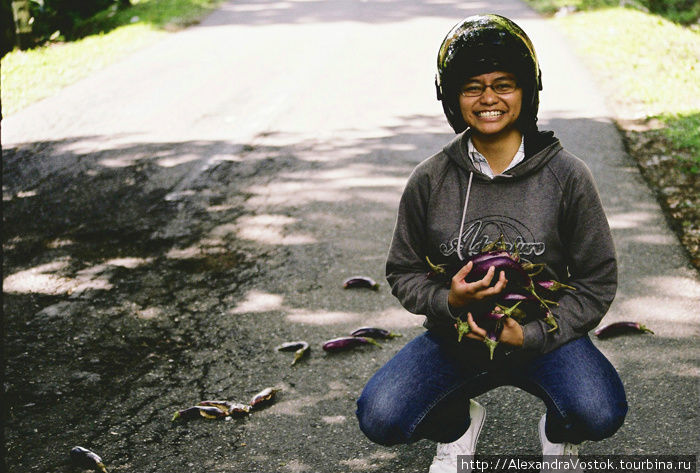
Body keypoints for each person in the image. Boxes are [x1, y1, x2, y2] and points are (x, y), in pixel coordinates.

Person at [355, 14, 628, 473]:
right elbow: (403, 270)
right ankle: (454, 427)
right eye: (471, 87)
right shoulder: (429, 179)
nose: (488, 99)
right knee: (381, 415)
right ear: (451, 97)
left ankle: (559, 435)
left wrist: (536, 332)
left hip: (546, 339)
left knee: (597, 410)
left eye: (504, 84)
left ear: (528, 91)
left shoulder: (568, 176)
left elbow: (597, 280)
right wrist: (447, 299)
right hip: (457, 338)